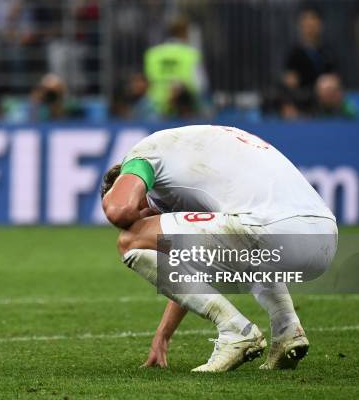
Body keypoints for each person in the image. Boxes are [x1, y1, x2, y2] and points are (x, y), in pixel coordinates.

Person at [101, 125, 338, 372]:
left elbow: (120, 211)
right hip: (325, 237)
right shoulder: (187, 155)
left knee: (130, 240)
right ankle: (287, 330)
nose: (142, 218)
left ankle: (236, 331)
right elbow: (190, 267)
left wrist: (131, 222)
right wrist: (163, 334)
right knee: (238, 248)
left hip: (272, 229)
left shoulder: (142, 156)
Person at [144, 18, 207, 117]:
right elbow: (200, 84)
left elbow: (148, 79)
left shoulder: (153, 53)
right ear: (185, 33)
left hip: (156, 105)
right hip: (183, 107)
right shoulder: (190, 54)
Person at [283, 8, 335, 91]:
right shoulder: (295, 53)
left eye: (313, 24)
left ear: (320, 25)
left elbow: (334, 76)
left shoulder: (328, 51)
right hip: (304, 98)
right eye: (307, 25)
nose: (310, 29)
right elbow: (290, 80)